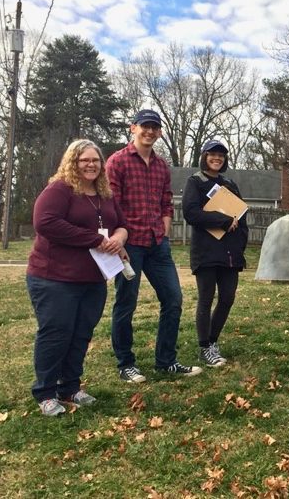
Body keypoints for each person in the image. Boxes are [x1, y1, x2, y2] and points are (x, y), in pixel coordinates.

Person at [27, 139, 128, 416]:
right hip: (54, 277)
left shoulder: (104, 193)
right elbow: (45, 222)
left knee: (81, 333)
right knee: (56, 333)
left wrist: (118, 238)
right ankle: (45, 393)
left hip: (93, 278)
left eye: (95, 160)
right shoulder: (60, 189)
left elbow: (120, 224)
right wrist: (95, 240)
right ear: (72, 161)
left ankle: (70, 387)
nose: (91, 164)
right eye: (84, 159)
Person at [106, 109, 202, 382]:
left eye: (154, 128)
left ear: (159, 132)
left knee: (173, 299)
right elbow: (111, 205)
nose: (149, 132)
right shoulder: (117, 162)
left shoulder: (161, 166)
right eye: (144, 126)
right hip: (128, 245)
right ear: (132, 128)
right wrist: (118, 238)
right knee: (126, 303)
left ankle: (166, 361)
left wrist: (164, 230)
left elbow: (165, 202)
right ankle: (126, 364)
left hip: (157, 244)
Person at [182, 139, 248, 367]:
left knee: (227, 298)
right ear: (203, 156)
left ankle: (212, 341)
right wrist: (223, 220)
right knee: (206, 298)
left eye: (221, 155)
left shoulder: (229, 183)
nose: (216, 158)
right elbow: (191, 213)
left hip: (230, 252)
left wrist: (240, 245)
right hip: (206, 252)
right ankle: (204, 347)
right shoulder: (195, 182)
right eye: (212, 154)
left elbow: (241, 216)